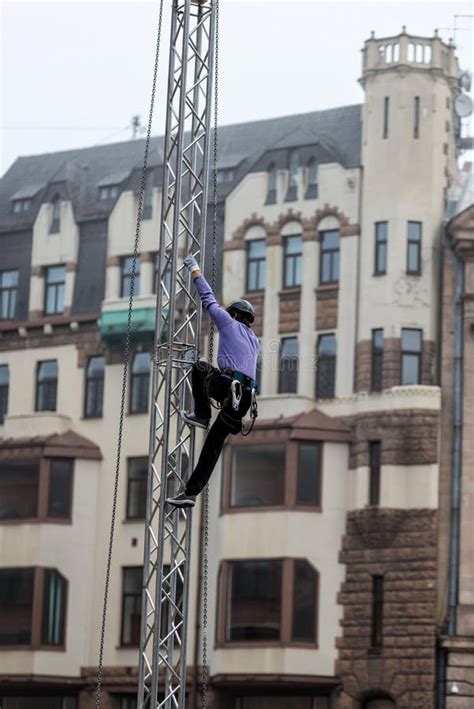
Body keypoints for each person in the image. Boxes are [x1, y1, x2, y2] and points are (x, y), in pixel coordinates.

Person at [166, 254, 259, 509]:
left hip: (230, 387)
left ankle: (202, 414)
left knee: (200, 368)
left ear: (235, 314)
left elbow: (208, 300)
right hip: (244, 400)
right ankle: (190, 493)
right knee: (212, 448)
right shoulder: (255, 340)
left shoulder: (228, 323)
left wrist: (195, 269)